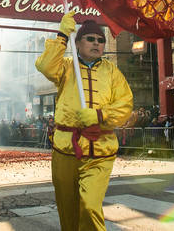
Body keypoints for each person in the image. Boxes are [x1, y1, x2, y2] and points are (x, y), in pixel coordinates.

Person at [36, 13, 133, 231]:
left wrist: (100, 116)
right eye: (90, 39)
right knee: (68, 210)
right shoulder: (66, 67)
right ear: (77, 43)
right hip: (65, 149)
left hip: (100, 151)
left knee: (89, 206)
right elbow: (45, 66)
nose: (96, 43)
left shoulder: (112, 71)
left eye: (100, 40)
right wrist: (62, 35)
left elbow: (125, 104)